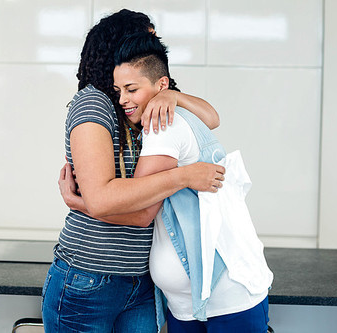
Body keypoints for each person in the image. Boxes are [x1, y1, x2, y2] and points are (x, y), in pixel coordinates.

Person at [60, 32, 274, 332]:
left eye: (131, 89)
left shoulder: (163, 123)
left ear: (160, 85)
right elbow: (213, 118)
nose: (122, 100)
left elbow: (142, 211)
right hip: (192, 301)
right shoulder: (159, 117)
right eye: (118, 90)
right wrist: (172, 95)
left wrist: (79, 203)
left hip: (221, 298)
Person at [42, 9, 225, 333]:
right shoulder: (94, 104)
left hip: (140, 281)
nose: (151, 45)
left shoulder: (146, 102)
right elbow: (110, 202)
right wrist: (185, 176)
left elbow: (210, 119)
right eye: (146, 37)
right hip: (89, 277)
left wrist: (172, 94)